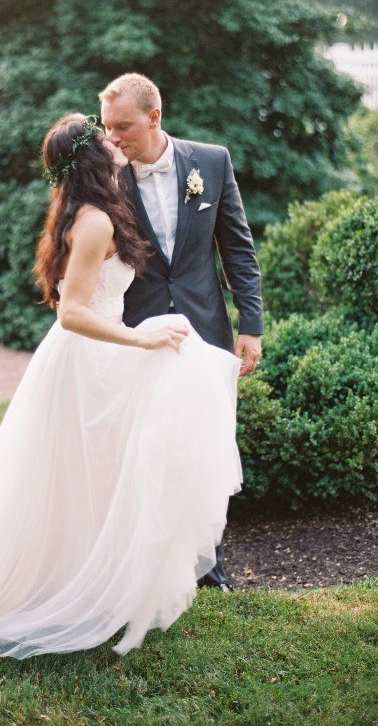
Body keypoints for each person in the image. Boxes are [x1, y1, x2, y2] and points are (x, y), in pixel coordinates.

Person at [0, 113, 244, 659]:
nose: (114, 138)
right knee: (78, 476)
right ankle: (61, 590)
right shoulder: (95, 221)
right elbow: (73, 313)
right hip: (86, 360)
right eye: (104, 135)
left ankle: (96, 580)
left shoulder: (89, 211)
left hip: (98, 356)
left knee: (92, 479)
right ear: (93, 156)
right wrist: (141, 339)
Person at [100, 74, 263, 593]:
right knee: (144, 449)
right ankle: (146, 566)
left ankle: (210, 569)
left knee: (205, 447)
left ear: (155, 117)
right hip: (138, 331)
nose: (112, 138)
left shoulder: (211, 163)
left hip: (205, 329)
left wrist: (250, 324)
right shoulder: (106, 176)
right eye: (107, 127)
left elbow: (237, 247)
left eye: (122, 126)